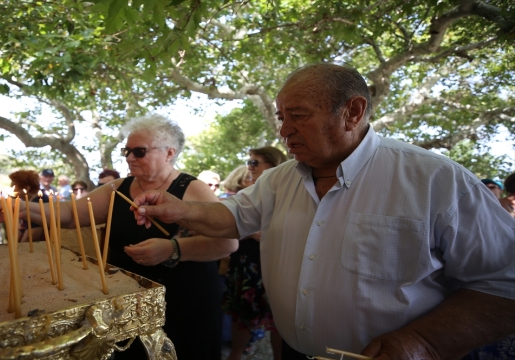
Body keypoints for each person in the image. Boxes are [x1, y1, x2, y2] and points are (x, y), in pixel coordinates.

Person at [130, 64, 515, 359]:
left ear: (353, 111)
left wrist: (424, 342)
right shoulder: (279, 180)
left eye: (298, 115)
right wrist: (179, 210)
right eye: (282, 117)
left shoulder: (435, 180)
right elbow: (232, 218)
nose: (284, 131)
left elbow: (504, 282)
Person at [0, 114, 238, 360]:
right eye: (126, 151)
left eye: (139, 151)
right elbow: (71, 213)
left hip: (183, 298)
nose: (129, 157)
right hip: (128, 299)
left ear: (170, 152)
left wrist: (173, 249)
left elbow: (228, 242)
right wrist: (18, 208)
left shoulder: (193, 189)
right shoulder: (119, 188)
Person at [224, 146, 286, 360]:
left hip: (279, 264)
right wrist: (250, 234)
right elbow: (227, 227)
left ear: (273, 165)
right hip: (247, 262)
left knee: (280, 320)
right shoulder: (246, 194)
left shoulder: (291, 194)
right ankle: (234, 356)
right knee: (242, 316)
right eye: (248, 162)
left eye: (254, 162)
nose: (248, 168)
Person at [8, 169, 42, 242]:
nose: (11, 190)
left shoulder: (39, 202)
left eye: (13, 186)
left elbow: (31, 235)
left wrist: (18, 250)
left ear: (26, 188)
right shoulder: (27, 201)